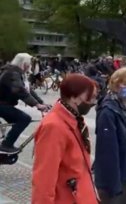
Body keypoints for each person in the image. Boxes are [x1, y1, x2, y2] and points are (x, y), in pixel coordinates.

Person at [32, 74, 99, 204]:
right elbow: (44, 179)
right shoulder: (54, 127)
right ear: (74, 97)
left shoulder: (75, 118)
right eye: (90, 97)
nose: (93, 101)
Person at [93, 67, 126, 204]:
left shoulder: (125, 106)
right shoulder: (108, 112)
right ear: (116, 85)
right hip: (119, 177)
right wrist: (113, 186)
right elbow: (107, 153)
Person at [0, 53, 48, 153]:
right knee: (24, 118)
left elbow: (28, 90)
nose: (30, 66)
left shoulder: (17, 73)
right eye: (29, 63)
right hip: (2, 104)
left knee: (19, 120)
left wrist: (41, 102)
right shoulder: (11, 73)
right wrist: (37, 105)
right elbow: (19, 90)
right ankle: (6, 144)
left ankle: (5, 144)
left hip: (5, 104)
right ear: (23, 63)